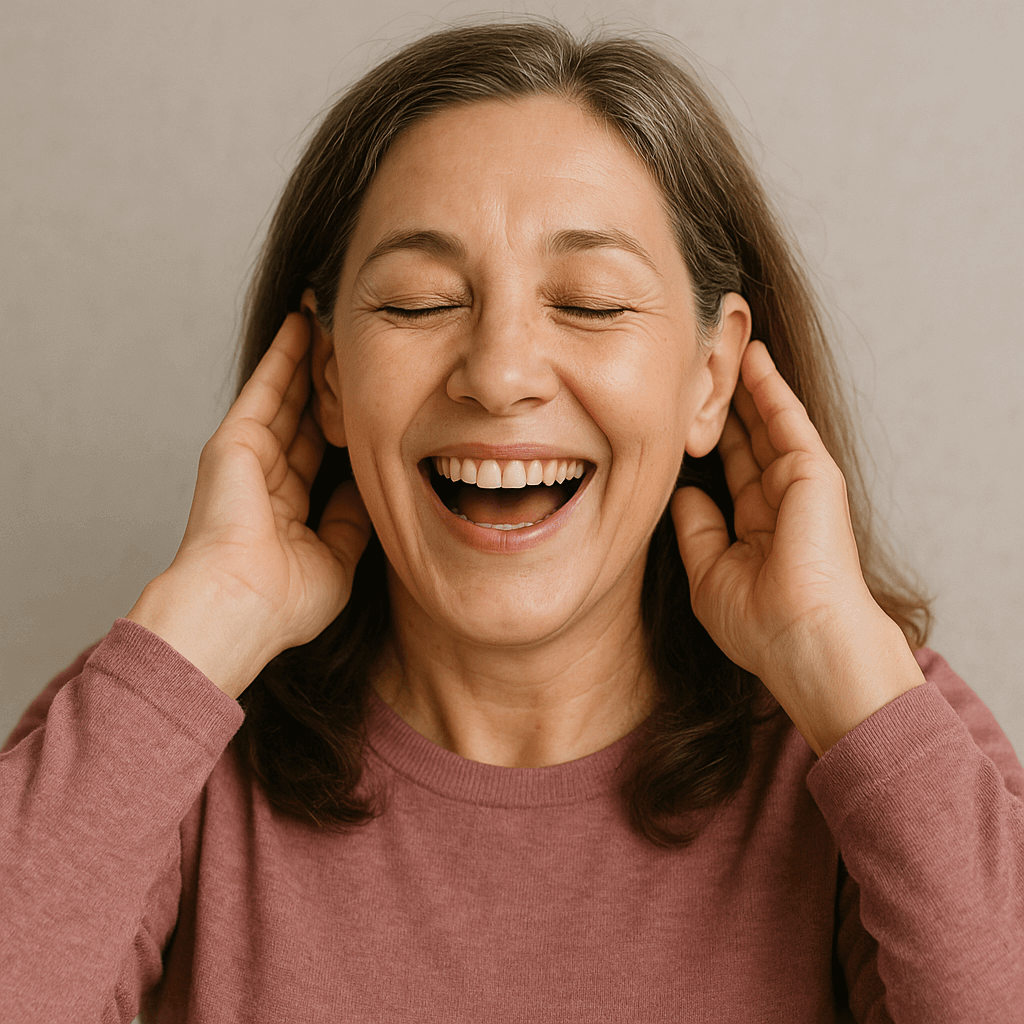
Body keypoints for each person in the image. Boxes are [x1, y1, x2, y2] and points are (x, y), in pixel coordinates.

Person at [1, 19, 1021, 1024]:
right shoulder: (151, 737)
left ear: (710, 376)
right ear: (328, 376)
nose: (497, 375)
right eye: (415, 302)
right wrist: (202, 622)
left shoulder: (879, 733)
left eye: (588, 302)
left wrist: (838, 670)